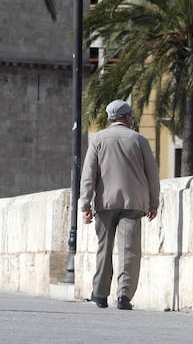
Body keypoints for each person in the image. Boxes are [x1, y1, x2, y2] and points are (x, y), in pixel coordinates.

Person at [79, 99, 160, 310]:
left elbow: (88, 175)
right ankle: (124, 296)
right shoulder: (139, 140)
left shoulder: (98, 139)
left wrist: (85, 205)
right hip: (134, 203)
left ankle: (100, 294)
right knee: (129, 250)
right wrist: (154, 203)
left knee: (103, 249)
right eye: (130, 117)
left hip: (105, 202)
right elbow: (152, 174)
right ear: (126, 118)